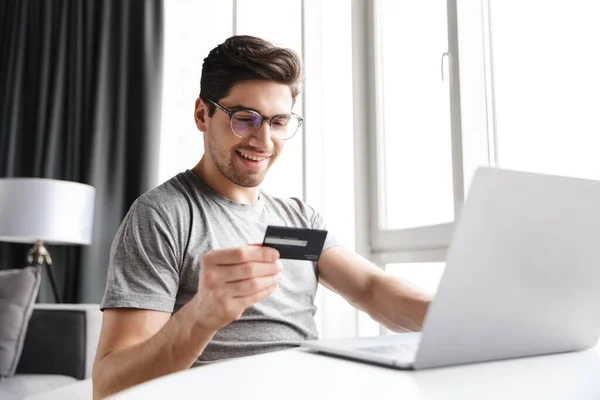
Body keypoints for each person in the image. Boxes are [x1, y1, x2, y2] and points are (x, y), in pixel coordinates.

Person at [92, 35, 433, 399]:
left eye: (278, 122)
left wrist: (452, 316)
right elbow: (110, 385)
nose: (264, 140)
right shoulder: (163, 215)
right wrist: (201, 315)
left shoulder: (297, 219)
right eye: (245, 119)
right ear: (201, 115)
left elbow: (370, 289)